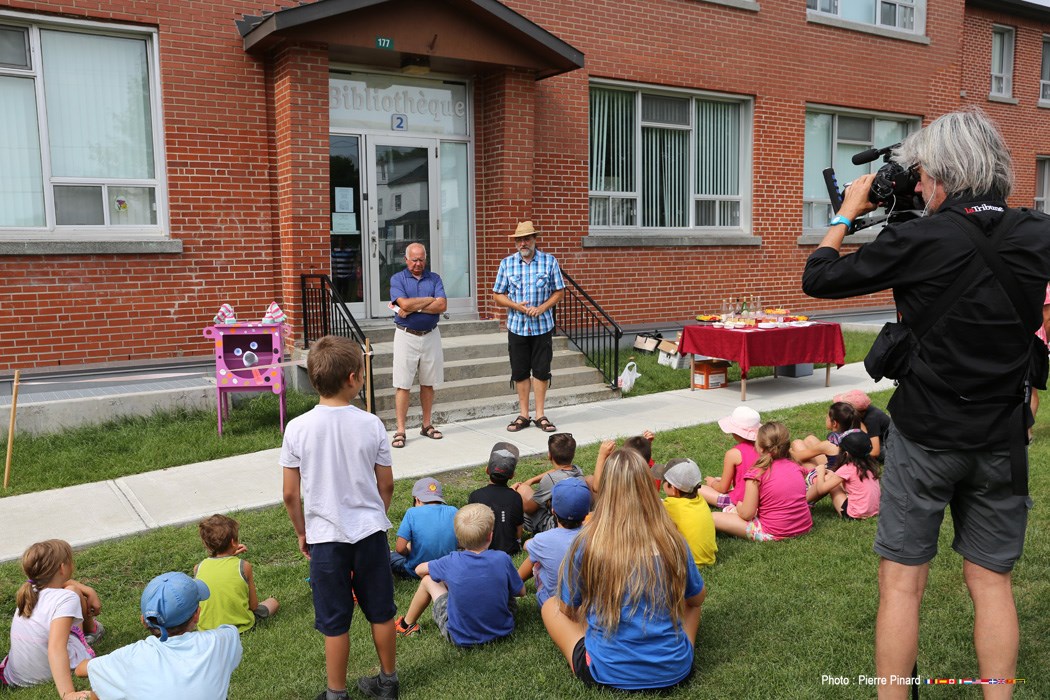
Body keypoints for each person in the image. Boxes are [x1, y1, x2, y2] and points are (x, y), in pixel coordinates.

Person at [802, 109, 1050, 697]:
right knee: (991, 584)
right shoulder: (1039, 232)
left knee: (902, 584)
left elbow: (819, 275)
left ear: (938, 173)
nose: (916, 185)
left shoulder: (917, 237)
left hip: (924, 436)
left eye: (921, 176)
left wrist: (847, 212)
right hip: (1001, 438)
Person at [280, 335, 399, 700]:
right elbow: (387, 484)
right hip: (369, 533)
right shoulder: (371, 424)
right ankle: (388, 682)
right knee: (380, 611)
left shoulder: (297, 428)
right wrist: (377, 514)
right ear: (352, 378)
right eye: (362, 373)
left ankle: (336, 693)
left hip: (325, 537)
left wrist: (302, 532)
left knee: (335, 620)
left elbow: (289, 494)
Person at [541, 449, 705, 691]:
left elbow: (568, 608)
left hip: (604, 671)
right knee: (693, 604)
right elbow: (697, 598)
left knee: (550, 606)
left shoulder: (587, 542)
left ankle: (607, 643)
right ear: (649, 487)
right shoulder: (673, 540)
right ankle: (675, 651)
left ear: (606, 490)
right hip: (676, 671)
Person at [74, 572, 242, 700]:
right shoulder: (223, 640)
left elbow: (81, 670)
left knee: (101, 689)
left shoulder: (130, 656)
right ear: (197, 614)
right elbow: (228, 631)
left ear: (143, 620)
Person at [393, 503, 525, 644]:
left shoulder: (450, 561)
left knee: (427, 580)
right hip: (502, 629)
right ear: (490, 535)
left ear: (458, 538)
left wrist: (448, 580)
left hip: (460, 636)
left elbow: (419, 570)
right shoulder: (502, 558)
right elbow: (521, 592)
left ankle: (407, 625)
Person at [1, 540, 102, 699]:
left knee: (73, 590)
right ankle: (92, 631)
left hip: (15, 676)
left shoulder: (30, 590)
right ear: (63, 568)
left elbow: (66, 585)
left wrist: (87, 590)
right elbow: (56, 647)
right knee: (73, 592)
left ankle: (92, 629)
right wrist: (67, 693)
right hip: (46, 672)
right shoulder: (67, 598)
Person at [493, 220, 565, 433]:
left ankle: (540, 414)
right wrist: (515, 306)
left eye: (527, 238)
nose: (523, 243)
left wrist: (543, 308)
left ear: (535, 239)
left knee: (542, 371)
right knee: (520, 371)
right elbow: (497, 295)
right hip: (517, 326)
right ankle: (524, 414)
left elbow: (559, 291)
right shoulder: (507, 264)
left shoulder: (549, 261)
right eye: (519, 240)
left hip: (542, 326)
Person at [711, 422, 813, 542]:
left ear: (760, 447)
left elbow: (747, 514)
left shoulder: (756, 474)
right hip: (804, 526)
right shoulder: (795, 466)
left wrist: (739, 506)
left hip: (774, 532)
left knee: (713, 517)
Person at [389, 242, 447, 448]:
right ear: (406, 260)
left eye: (421, 259)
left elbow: (442, 305)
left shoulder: (435, 278)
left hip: (431, 335)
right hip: (406, 335)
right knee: (403, 384)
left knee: (428, 382)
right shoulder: (398, 279)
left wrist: (415, 306)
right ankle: (401, 430)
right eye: (414, 259)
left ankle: (426, 424)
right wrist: (428, 300)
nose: (418, 263)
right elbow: (402, 305)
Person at [194, 514, 279, 632]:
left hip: (208, 631)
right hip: (241, 627)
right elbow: (253, 606)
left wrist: (229, 554)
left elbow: (217, 568)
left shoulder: (198, 568)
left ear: (206, 544)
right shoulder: (244, 567)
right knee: (273, 602)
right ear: (233, 542)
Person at [518, 477, 591, 607]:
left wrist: (531, 542)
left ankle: (516, 583)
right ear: (586, 513)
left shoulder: (543, 539)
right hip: (587, 602)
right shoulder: (594, 535)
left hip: (553, 602)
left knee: (534, 558)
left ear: (553, 510)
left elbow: (525, 546)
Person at [512, 432, 582, 534]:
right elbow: (556, 471)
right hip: (576, 518)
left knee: (523, 492)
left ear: (549, 455)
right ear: (573, 454)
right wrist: (531, 480)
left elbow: (531, 508)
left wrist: (516, 493)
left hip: (556, 525)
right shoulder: (577, 470)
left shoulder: (550, 480)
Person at [652, 458, 717, 566]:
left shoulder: (670, 505)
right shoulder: (700, 499)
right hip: (708, 559)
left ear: (673, 489)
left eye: (664, 480)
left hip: (686, 563)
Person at [390, 478, 458, 578]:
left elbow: (400, 549)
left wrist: (408, 550)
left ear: (417, 499)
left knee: (390, 555)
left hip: (416, 570)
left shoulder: (412, 513)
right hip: (446, 568)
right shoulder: (453, 510)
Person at [806, 431, 881, 519]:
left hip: (854, 514)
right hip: (874, 510)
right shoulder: (869, 465)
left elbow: (821, 489)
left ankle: (802, 503)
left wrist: (820, 470)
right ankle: (806, 502)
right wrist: (832, 474)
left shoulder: (847, 468)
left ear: (846, 453)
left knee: (827, 480)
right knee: (831, 477)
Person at [468, 442, 525, 554]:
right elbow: (519, 531)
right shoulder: (515, 497)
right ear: (512, 475)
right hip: (510, 550)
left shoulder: (475, 495)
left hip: (482, 549)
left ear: (487, 470)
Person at [699, 406, 761, 509]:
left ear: (734, 432)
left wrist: (712, 482)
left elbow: (723, 488)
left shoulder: (733, 454)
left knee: (699, 489)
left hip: (741, 501)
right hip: (762, 500)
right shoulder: (766, 448)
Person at [790, 402, 861, 473]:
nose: (825, 418)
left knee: (797, 443)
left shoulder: (829, 445)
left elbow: (797, 457)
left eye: (827, 417)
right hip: (849, 472)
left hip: (832, 480)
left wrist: (788, 450)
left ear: (834, 423)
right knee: (810, 439)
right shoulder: (859, 437)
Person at [834, 389, 891, 462]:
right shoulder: (864, 412)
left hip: (887, 448)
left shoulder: (872, 419)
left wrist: (854, 458)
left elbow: (875, 452)